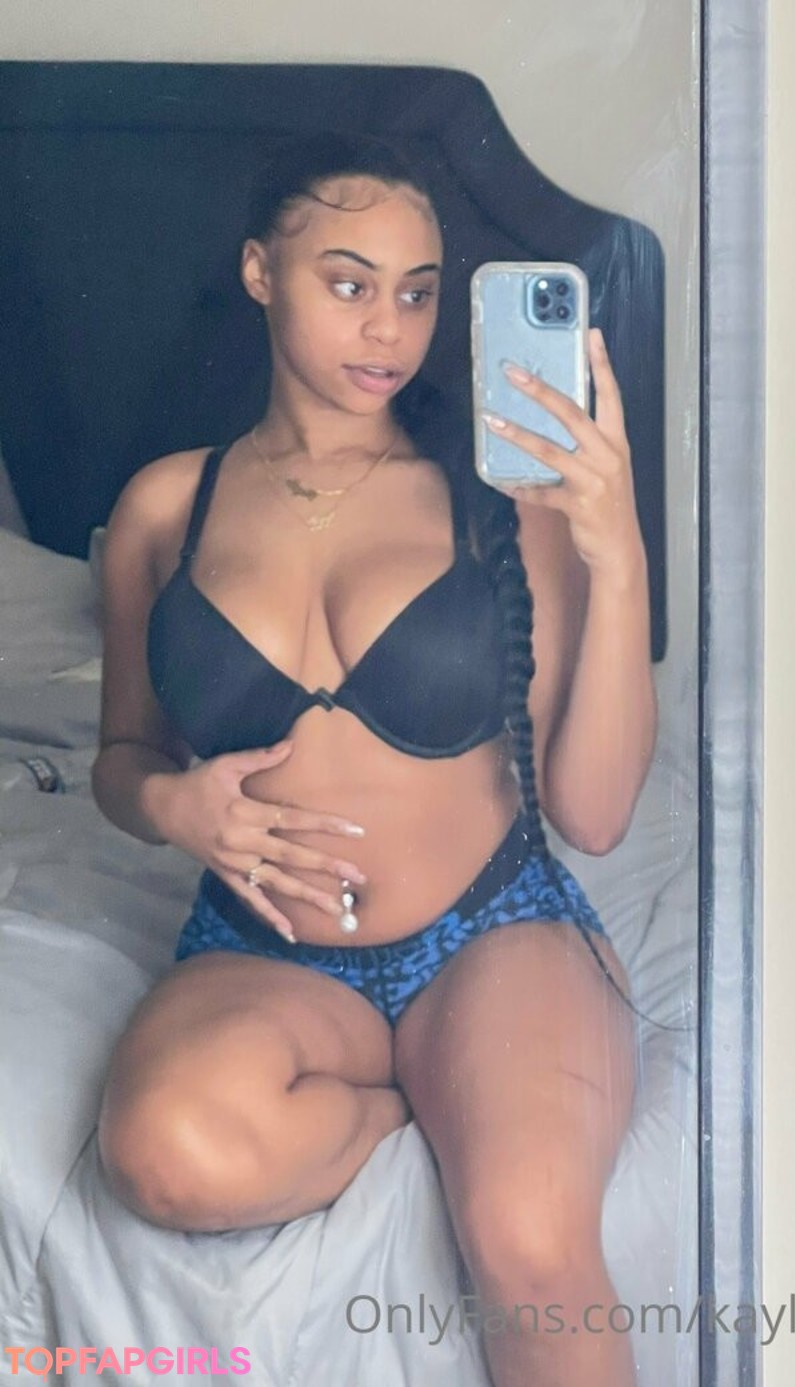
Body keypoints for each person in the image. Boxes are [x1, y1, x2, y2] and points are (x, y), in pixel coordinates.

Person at [91, 133, 656, 1387]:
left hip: (491, 930)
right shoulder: (164, 509)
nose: (388, 328)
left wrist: (617, 557)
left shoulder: (500, 499)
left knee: (528, 1242)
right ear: (260, 272)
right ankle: (419, 1100)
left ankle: (465, 1084)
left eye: (417, 292)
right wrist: (174, 805)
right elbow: (122, 759)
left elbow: (596, 813)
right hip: (264, 949)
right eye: (348, 283)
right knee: (164, 1154)